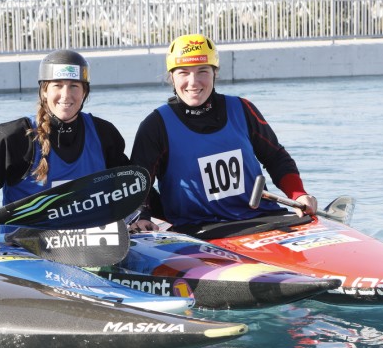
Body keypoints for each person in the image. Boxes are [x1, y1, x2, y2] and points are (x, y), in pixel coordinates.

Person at [130, 34, 317, 234]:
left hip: (261, 218)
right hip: (197, 231)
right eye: (183, 73)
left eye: (202, 71)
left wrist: (298, 195)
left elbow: (276, 157)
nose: (193, 82)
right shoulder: (156, 125)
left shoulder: (243, 109)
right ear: (172, 77)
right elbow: (138, 183)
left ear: (214, 73)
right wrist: (142, 216)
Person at [0, 49, 130, 232]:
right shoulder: (13, 138)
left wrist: (139, 216)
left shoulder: (104, 134)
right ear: (44, 91)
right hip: (26, 252)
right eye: (57, 85)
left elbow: (127, 187)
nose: (66, 95)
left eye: (74, 86)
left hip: (91, 249)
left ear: (85, 92)